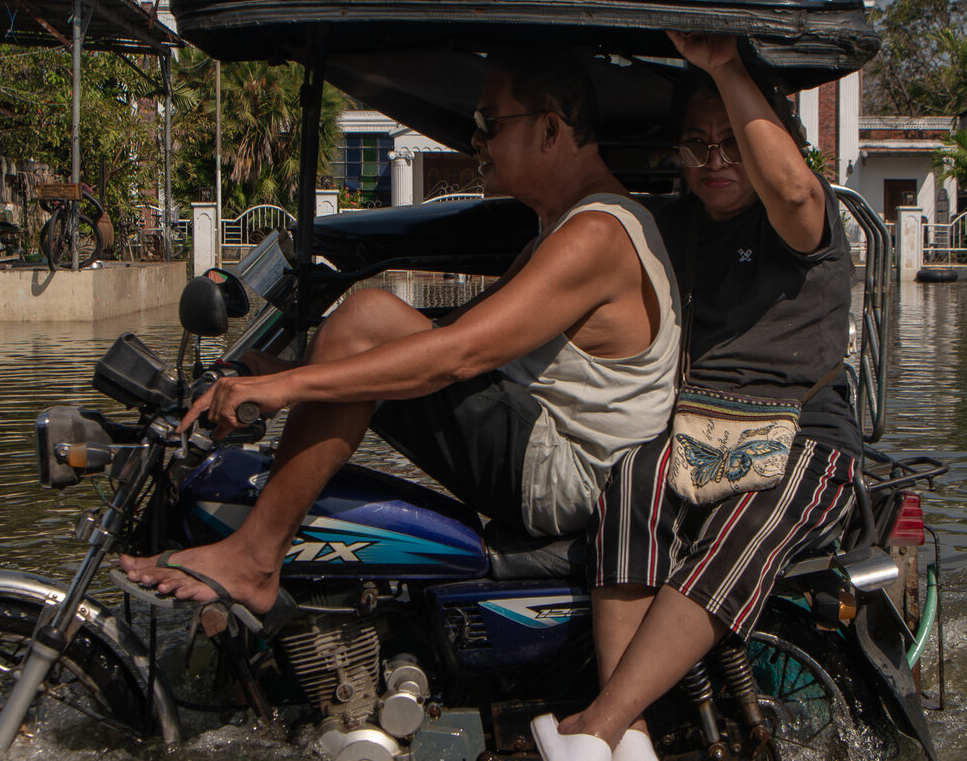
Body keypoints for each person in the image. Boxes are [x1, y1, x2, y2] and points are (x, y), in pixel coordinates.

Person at [119, 50, 681, 620]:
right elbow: (456, 328)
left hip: (571, 474)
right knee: (369, 326)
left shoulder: (597, 233)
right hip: (554, 452)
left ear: (551, 129)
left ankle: (255, 557)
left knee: (366, 319)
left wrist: (290, 390)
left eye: (489, 123)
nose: (475, 140)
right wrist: (297, 374)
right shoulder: (572, 225)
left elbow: (460, 353)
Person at [532, 31, 862, 761]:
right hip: (696, 433)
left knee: (744, 526)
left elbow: (794, 191)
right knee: (632, 481)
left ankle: (603, 722)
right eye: (697, 145)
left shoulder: (802, 226)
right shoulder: (674, 226)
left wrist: (722, 66)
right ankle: (634, 742)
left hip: (802, 435)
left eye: (732, 143)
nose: (716, 160)